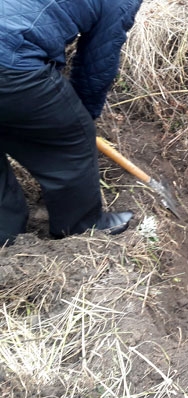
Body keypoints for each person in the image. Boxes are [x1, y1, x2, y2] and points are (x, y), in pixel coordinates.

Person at [0, 0, 143, 247]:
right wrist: (81, 117)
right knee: (70, 145)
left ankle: (5, 235)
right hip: (10, 60)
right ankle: (81, 227)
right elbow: (96, 65)